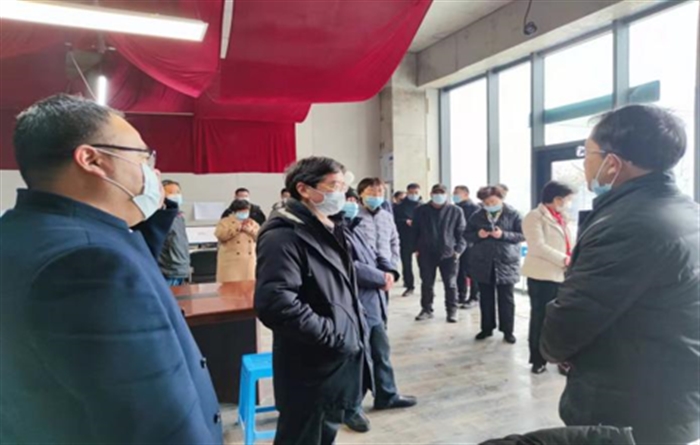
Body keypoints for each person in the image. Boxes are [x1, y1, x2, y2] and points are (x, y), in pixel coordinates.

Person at [0, 94, 222, 444]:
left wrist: (155, 214)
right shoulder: (89, 263)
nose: (152, 172)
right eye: (143, 157)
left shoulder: (24, 233)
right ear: (92, 159)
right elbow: (156, 425)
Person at [541, 105, 700, 445]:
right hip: (673, 390)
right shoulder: (687, 211)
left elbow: (572, 319)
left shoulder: (627, 225)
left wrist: (553, 344)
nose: (585, 164)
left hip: (626, 403)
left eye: (587, 153)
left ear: (612, 163)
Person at [255, 157, 371, 445]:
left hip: (333, 364)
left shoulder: (328, 227)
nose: (341, 194)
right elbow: (276, 304)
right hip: (310, 367)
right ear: (304, 189)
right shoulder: (283, 235)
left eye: (343, 186)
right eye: (333, 186)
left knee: (324, 433)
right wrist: (334, 335)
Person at [341, 190, 417, 433]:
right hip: (352, 303)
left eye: (353, 200)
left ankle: (386, 394)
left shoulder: (355, 227)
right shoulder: (331, 230)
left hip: (373, 301)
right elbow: (346, 265)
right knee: (356, 358)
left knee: (381, 351)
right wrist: (379, 277)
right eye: (346, 200)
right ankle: (351, 408)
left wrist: (390, 272)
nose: (351, 204)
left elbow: (375, 254)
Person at [521, 181, 574, 374]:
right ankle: (538, 359)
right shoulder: (534, 217)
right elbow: (537, 246)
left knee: (562, 319)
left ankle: (561, 357)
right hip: (542, 276)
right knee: (541, 318)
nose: (569, 203)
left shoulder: (563, 217)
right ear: (557, 199)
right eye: (568, 199)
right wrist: (565, 259)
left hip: (563, 275)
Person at [466, 186, 524, 344]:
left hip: (506, 261)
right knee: (485, 297)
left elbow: (523, 235)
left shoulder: (513, 214)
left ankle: (508, 331)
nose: (490, 205)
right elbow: (466, 234)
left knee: (507, 299)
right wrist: (478, 235)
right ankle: (487, 328)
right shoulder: (477, 215)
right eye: (486, 203)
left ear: (501, 198)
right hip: (483, 261)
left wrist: (503, 234)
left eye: (493, 201)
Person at [413, 184, 466, 323]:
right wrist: (415, 248)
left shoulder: (456, 211)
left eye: (441, 193)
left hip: (449, 254)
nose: (438, 196)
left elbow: (462, 233)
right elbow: (414, 231)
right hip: (426, 253)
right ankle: (426, 309)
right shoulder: (420, 210)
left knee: (450, 284)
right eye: (436, 193)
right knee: (427, 283)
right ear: (431, 194)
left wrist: (458, 250)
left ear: (446, 195)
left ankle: (452, 310)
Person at [355, 177, 401, 268]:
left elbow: (394, 241)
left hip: (386, 266)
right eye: (371, 191)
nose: (376, 195)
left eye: (380, 191)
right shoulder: (354, 215)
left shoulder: (387, 216)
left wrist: (393, 263)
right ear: (360, 194)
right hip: (364, 267)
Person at [215, 199, 259, 282]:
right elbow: (220, 235)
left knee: (249, 286)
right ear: (235, 211)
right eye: (242, 211)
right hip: (231, 261)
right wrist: (237, 228)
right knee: (230, 286)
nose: (245, 213)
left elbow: (260, 236)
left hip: (249, 261)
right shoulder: (225, 222)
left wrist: (250, 230)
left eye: (247, 211)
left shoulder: (252, 222)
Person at [158, 179, 191, 286]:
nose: (176, 196)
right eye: (171, 192)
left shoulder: (179, 216)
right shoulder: (159, 216)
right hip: (167, 270)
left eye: (178, 192)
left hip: (181, 268)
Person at [452, 185, 480, 308]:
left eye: (457, 193)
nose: (455, 195)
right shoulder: (454, 208)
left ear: (466, 194)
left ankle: (474, 297)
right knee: (460, 271)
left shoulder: (475, 209)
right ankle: (461, 295)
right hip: (457, 243)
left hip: (471, 244)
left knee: (472, 272)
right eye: (454, 193)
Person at [393, 183, 422, 296]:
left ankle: (427, 286)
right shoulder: (399, 207)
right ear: (407, 192)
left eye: (416, 192)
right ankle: (409, 286)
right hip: (405, 238)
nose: (414, 195)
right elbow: (394, 221)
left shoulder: (423, 207)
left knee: (424, 265)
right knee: (406, 264)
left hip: (421, 240)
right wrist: (405, 222)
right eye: (411, 193)